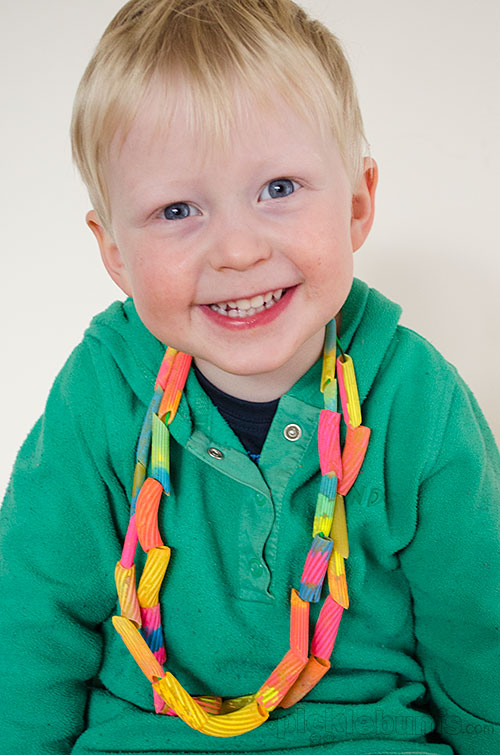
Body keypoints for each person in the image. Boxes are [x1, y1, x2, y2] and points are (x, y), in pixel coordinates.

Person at [0, 0, 498, 753]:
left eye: (278, 189)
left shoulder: (418, 399)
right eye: (177, 208)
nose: (237, 250)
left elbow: (479, 628)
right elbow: (31, 617)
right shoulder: (98, 390)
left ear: (358, 203)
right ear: (114, 255)